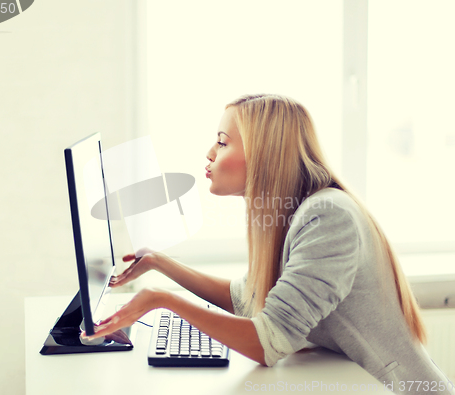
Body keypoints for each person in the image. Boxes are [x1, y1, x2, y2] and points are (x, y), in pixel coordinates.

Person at [84, 94, 454, 394]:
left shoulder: (328, 217)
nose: (209, 153)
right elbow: (247, 298)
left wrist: (162, 300)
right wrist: (162, 264)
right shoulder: (295, 214)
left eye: (222, 142)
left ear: (264, 153)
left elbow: (267, 343)